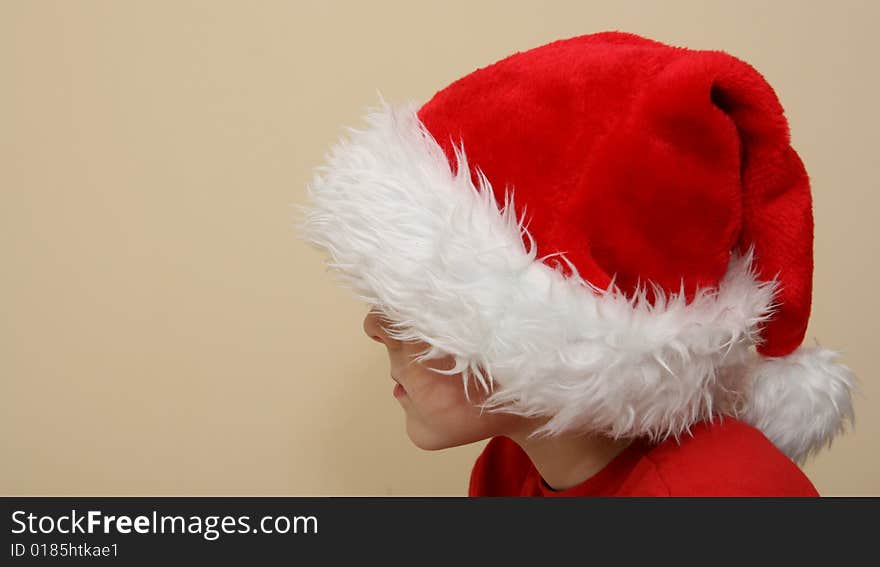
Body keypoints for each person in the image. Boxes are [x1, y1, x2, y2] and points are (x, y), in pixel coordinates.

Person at [298, 30, 858, 496]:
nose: (374, 325)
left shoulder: (724, 495)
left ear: (540, 327)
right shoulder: (513, 471)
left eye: (418, 295)